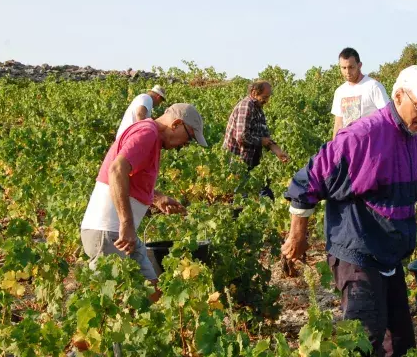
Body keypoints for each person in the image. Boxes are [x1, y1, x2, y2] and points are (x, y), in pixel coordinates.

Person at [282, 65, 417, 357]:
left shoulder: (411, 133)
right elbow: (306, 181)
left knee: (401, 342)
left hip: (389, 251)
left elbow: (416, 173)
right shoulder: (361, 138)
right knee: (364, 339)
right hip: (358, 251)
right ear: (398, 96)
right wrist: (297, 237)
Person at [80, 103, 207, 301]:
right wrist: (127, 224)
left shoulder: (152, 137)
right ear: (177, 124)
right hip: (109, 232)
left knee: (152, 291)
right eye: (189, 138)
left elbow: (130, 178)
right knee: (109, 306)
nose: (185, 145)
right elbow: (116, 170)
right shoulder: (147, 133)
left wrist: (156, 198)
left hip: (121, 235)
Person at [223, 80, 289, 200]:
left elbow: (265, 136)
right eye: (264, 97)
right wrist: (261, 141)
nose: (267, 100)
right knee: (241, 197)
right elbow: (241, 137)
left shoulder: (258, 108)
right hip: (238, 161)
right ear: (254, 93)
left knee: (264, 192)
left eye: (268, 97)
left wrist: (278, 151)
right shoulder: (246, 106)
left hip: (251, 160)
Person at [331, 47, 391, 139]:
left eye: (351, 67)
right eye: (344, 68)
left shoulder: (373, 86)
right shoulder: (340, 92)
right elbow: (338, 125)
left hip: (371, 147)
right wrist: (335, 149)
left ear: (359, 65)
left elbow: (388, 118)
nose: (347, 72)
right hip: (349, 147)